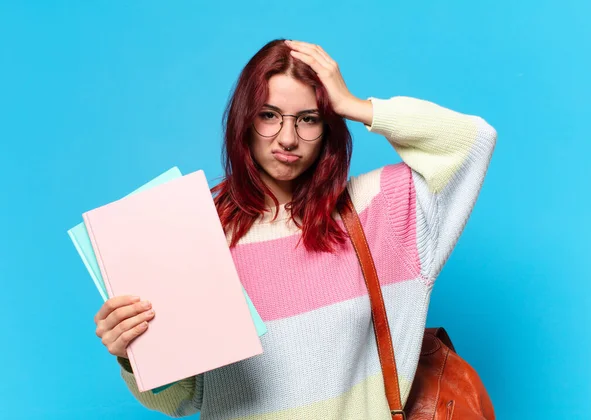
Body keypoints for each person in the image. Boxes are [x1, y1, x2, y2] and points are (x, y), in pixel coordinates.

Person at [93, 38, 497, 419]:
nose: (287, 138)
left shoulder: (381, 212)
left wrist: (354, 104)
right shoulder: (196, 233)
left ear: (329, 127)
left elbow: (473, 142)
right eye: (269, 115)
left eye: (308, 119)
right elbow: (183, 400)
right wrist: (133, 354)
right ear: (244, 121)